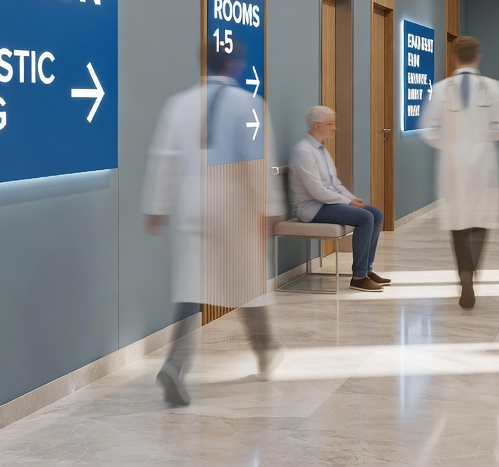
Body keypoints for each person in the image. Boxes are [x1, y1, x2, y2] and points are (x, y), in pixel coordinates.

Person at [142, 42, 284, 406]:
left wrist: (156, 206)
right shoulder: (251, 104)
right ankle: (265, 349)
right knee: (248, 280)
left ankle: (175, 363)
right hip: (234, 205)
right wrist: (269, 208)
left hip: (191, 206)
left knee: (192, 287)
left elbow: (164, 157)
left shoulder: (178, 104)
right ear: (235, 64)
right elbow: (257, 161)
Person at [420, 36, 499, 308]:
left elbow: (428, 129)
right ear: (478, 57)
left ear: (454, 56)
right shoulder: (493, 87)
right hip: (484, 163)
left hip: (452, 164)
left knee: (458, 220)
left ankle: (464, 273)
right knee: (480, 218)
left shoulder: (440, 89)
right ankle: (472, 270)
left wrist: (451, 143)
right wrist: (482, 139)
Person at [288, 106, 389, 292]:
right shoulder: (304, 152)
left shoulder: (321, 150)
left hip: (326, 203)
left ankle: (366, 269)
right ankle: (358, 277)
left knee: (375, 213)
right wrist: (348, 202)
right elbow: (317, 191)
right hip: (311, 208)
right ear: (316, 125)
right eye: (330, 124)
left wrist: (352, 198)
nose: (334, 128)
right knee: (365, 217)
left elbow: (334, 183)